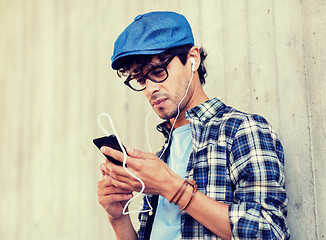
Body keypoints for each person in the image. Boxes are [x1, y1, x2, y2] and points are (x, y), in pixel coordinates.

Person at [97, 11, 290, 240]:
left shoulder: (241, 130)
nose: (150, 89)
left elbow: (269, 231)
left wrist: (171, 186)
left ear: (193, 59)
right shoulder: (162, 156)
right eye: (141, 79)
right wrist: (119, 219)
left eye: (158, 72)